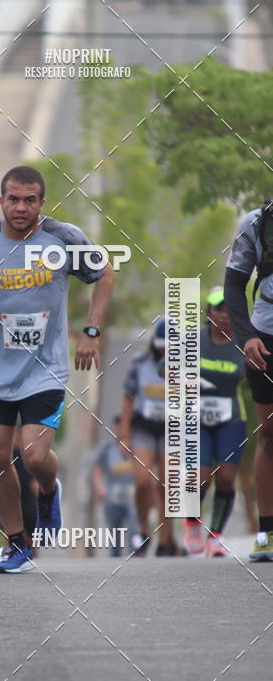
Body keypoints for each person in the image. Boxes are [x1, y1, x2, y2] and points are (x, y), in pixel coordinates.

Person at [0, 165, 114, 573]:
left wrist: (91, 331)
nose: (20, 207)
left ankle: (49, 490)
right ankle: (18, 544)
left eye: (29, 200)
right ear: (1, 201)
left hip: (44, 367)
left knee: (33, 456)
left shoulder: (63, 238)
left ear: (41, 203)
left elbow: (104, 273)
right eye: (13, 199)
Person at [224, 199, 273, 561]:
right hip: (265, 339)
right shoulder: (257, 223)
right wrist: (246, 337)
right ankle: (267, 533)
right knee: (269, 436)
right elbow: (233, 287)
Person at [183, 287, 247, 558]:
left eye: (228, 310)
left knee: (226, 476)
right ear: (209, 312)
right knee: (200, 478)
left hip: (231, 418)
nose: (223, 315)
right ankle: (192, 521)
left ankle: (217, 536)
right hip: (197, 420)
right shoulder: (192, 340)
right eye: (217, 309)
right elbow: (169, 369)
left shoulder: (244, 343)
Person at [120, 319, 175, 557]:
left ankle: (166, 540)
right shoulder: (139, 363)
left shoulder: (187, 366)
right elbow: (128, 397)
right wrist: (123, 433)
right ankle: (143, 532)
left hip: (172, 428)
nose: (164, 350)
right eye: (161, 345)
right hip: (143, 425)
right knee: (142, 481)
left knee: (166, 484)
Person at [92, 416, 137, 557]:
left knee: (134, 530)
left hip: (133, 498)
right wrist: (100, 488)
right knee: (114, 536)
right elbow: (97, 470)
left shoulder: (138, 446)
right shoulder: (107, 448)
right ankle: (114, 560)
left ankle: (135, 557)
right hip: (112, 498)